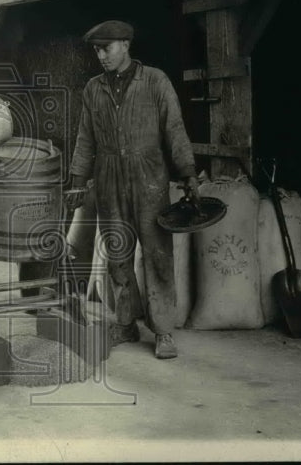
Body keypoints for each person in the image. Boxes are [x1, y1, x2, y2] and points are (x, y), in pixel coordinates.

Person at [66, 20, 200, 360]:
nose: (100, 55)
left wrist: (187, 172)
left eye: (106, 48)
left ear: (125, 44)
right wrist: (77, 180)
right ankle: (125, 323)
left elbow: (174, 128)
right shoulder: (93, 89)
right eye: (96, 49)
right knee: (118, 253)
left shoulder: (155, 81)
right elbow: (85, 139)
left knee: (157, 254)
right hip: (108, 176)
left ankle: (163, 331)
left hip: (149, 176)